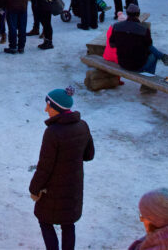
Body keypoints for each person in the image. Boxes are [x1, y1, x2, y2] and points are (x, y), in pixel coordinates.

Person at [29, 87, 94, 250]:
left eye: (48, 106)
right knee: (68, 222)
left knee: (44, 220)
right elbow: (89, 155)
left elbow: (45, 166)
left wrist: (34, 188)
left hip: (53, 189)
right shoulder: (83, 126)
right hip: (73, 188)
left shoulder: (53, 132)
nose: (45, 109)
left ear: (57, 108)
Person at [105, 3, 168, 74]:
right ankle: (149, 79)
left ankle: (163, 57)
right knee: (153, 56)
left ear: (127, 13)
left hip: (122, 63)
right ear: (138, 14)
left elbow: (112, 45)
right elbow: (149, 45)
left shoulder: (116, 26)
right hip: (137, 65)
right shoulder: (144, 29)